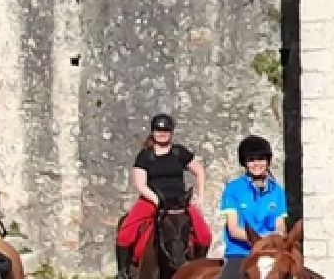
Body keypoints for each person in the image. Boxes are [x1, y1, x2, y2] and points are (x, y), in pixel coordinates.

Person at [115, 114, 212, 279]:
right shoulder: (145, 155)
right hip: (153, 200)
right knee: (126, 233)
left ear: (171, 132)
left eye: (166, 130)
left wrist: (200, 195)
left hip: (179, 202)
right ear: (153, 132)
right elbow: (140, 183)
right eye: (159, 130)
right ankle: (123, 272)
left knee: (204, 235)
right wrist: (155, 199)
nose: (162, 133)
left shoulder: (179, 152)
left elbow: (199, 171)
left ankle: (197, 268)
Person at [217, 135, 288, 279]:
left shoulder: (277, 191)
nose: (256, 164)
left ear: (268, 161)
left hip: (270, 252)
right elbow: (234, 229)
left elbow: (280, 226)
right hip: (241, 253)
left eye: (261, 159)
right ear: (245, 162)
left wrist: (273, 241)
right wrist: (262, 241)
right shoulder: (233, 189)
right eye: (251, 160)